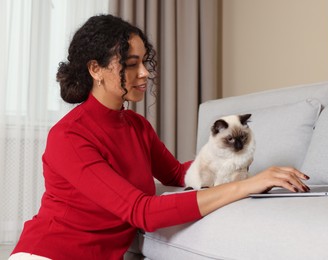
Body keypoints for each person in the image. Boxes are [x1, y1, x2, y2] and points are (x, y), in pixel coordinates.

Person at [9, 14, 310, 260]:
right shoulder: (69, 136)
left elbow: (179, 174)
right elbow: (142, 212)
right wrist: (246, 186)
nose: (145, 73)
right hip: (48, 254)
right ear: (95, 69)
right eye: (130, 64)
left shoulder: (137, 126)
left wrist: (235, 163)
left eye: (144, 62)